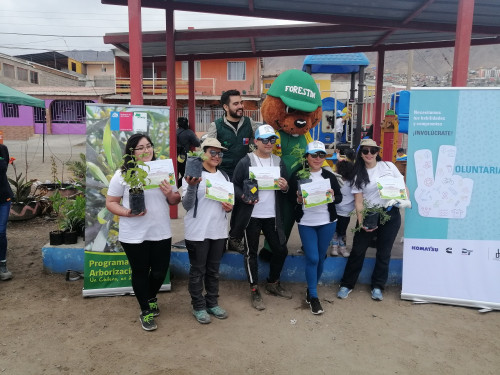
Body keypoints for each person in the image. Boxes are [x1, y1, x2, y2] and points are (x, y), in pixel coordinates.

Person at [106, 133, 181, 331]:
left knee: (159, 272)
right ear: (132, 152)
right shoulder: (123, 174)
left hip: (160, 231)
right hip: (134, 233)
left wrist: (169, 193)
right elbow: (111, 202)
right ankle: (145, 309)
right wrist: (127, 212)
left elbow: (175, 200)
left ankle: (150, 295)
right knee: (140, 271)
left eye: (149, 146)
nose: (147, 150)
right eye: (141, 147)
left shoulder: (163, 170)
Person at [337, 139, 409, 301]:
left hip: (390, 213)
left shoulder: (389, 166)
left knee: (384, 253)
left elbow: (402, 185)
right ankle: (347, 284)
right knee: (358, 251)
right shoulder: (357, 174)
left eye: (373, 150)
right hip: (369, 214)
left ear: (378, 152)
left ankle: (378, 286)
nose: (369, 154)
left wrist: (406, 200)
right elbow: (359, 201)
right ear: (360, 154)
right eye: (365, 151)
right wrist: (361, 222)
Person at [231, 124, 291, 310]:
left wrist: (285, 187)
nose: (268, 143)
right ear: (255, 141)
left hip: (272, 215)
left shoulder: (278, 162)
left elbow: (286, 188)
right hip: (252, 216)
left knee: (281, 250)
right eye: (264, 140)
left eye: (272, 139)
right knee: (251, 253)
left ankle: (272, 283)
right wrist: (243, 196)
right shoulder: (246, 161)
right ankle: (254, 289)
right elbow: (235, 184)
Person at [181, 138, 233, 324]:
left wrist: (228, 207)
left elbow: (229, 205)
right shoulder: (191, 175)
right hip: (197, 231)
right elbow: (186, 205)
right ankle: (198, 306)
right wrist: (193, 185)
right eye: (213, 152)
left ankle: (212, 302)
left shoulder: (225, 177)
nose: (217, 156)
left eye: (220, 153)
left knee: (213, 270)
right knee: (198, 271)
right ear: (203, 152)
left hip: (218, 230)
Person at [289, 141, 342, 315]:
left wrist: (333, 196)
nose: (318, 159)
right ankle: (313, 296)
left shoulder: (329, 176)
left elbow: (339, 198)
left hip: (327, 221)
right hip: (306, 222)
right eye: (314, 155)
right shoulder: (299, 175)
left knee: (320, 257)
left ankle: (311, 291)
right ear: (307, 157)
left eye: (321, 155)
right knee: (312, 258)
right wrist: (297, 199)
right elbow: (290, 198)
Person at [206, 90, 258, 180]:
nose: (241, 106)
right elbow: (208, 151)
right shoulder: (216, 126)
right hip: (224, 175)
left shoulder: (250, 122)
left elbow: (260, 142)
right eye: (236, 104)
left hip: (246, 173)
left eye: (241, 103)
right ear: (226, 107)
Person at [330, 159, 355, 257]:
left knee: (342, 230)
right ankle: (335, 246)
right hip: (336, 210)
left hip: (346, 212)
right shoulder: (336, 180)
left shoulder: (352, 182)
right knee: (335, 230)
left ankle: (342, 247)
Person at [0, 144, 13, 281]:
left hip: (3, 198)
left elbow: (4, 170)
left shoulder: (3, 149)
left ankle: (2, 265)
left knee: (1, 232)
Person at [176, 117, 200, 188]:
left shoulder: (174, 132)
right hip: (184, 158)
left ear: (178, 123)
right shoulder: (189, 132)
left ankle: (175, 187)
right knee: (186, 176)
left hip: (174, 157)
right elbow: (197, 144)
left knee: (174, 175)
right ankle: (178, 185)